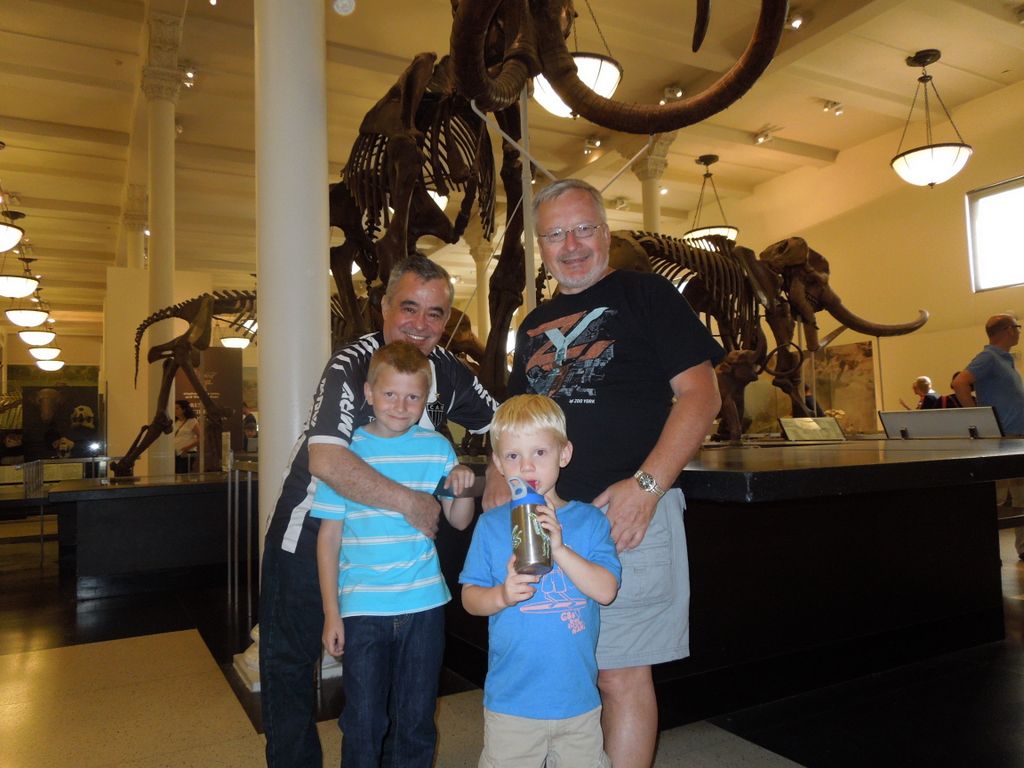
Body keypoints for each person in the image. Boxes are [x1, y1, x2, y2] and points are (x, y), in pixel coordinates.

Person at [500, 178, 724, 768]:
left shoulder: (646, 295)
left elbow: (700, 396)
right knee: (559, 669)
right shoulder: (532, 323)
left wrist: (647, 488)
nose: (571, 245)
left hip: (627, 516)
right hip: (546, 523)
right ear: (539, 246)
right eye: (555, 234)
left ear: (605, 232)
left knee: (620, 675)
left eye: (584, 228)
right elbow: (512, 427)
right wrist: (506, 517)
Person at [259, 254, 499, 768]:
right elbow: (326, 459)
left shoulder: (447, 373)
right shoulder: (354, 364)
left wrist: (483, 479)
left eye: (435, 313)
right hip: (314, 532)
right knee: (291, 664)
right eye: (409, 307)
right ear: (384, 306)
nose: (420, 324)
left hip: (388, 557)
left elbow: (508, 427)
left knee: (391, 693)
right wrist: (412, 501)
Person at [313, 341, 476, 768]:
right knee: (364, 719)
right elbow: (328, 538)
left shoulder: (437, 448)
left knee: (417, 718)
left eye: (413, 397)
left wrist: (463, 484)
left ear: (426, 399)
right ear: (368, 393)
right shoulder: (347, 455)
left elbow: (458, 521)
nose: (401, 406)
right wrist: (332, 612)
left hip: (424, 605)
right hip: (364, 608)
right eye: (390, 394)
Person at [461, 394, 621, 766]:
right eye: (513, 456)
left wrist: (561, 549)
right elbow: (470, 597)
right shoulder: (491, 525)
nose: (527, 465)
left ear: (563, 454)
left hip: (577, 701)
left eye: (540, 452)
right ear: (499, 463)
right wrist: (501, 595)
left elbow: (607, 591)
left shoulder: (590, 521)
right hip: (512, 701)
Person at [953, 313, 1024, 556]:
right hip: (1003, 439)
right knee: (995, 499)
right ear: (1006, 330)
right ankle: (981, 551)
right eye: (1017, 326)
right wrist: (978, 420)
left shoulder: (1006, 360)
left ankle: (1023, 548)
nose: (1019, 330)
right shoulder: (989, 357)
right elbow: (960, 383)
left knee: (1021, 498)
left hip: (1016, 438)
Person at [173, 399, 199, 473]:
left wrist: (187, 448)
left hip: (187, 453)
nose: (175, 410)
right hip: (176, 454)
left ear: (184, 409)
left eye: (177, 408)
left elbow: (201, 437)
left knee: (184, 474)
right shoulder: (175, 422)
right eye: (174, 408)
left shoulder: (192, 421)